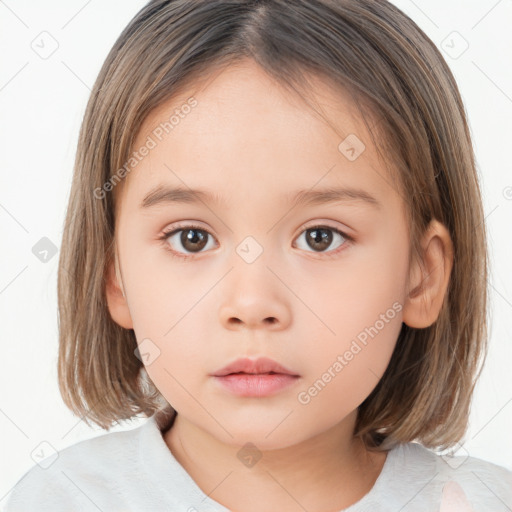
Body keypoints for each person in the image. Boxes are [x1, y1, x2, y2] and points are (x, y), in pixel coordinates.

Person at [4, 0, 512, 510]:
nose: (252, 304)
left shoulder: (482, 501)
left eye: (320, 237)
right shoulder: (61, 499)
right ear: (115, 276)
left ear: (421, 277)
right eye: (191, 238)